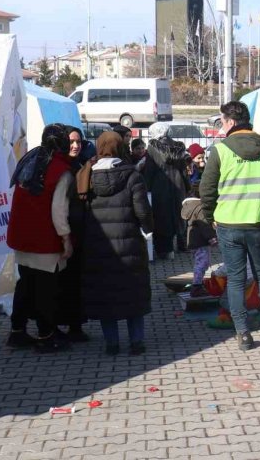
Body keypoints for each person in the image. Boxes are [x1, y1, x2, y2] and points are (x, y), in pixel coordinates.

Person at [200, 101, 260, 350]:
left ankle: (243, 334)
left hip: (229, 223)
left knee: (236, 280)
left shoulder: (221, 150)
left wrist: (211, 217)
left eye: (222, 121)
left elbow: (206, 189)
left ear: (229, 122)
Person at [78, 132, 154, 355]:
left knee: (106, 294)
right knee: (132, 292)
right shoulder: (132, 176)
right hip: (129, 243)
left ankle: (112, 343)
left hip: (98, 246)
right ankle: (136, 342)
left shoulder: (87, 177)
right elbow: (142, 210)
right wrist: (149, 230)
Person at [6, 124, 75, 353]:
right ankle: (46, 336)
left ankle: (17, 331)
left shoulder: (30, 159)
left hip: (22, 234)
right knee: (46, 290)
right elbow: (58, 210)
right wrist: (66, 238)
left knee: (25, 285)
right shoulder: (60, 170)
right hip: (44, 238)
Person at [55, 125, 89, 342]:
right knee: (63, 282)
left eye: (78, 142)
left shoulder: (78, 165)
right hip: (63, 233)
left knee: (76, 282)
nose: (75, 146)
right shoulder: (60, 168)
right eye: (71, 142)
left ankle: (75, 325)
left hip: (78, 233)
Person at [143, 122, 189, 259]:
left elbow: (149, 170)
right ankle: (182, 245)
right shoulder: (179, 147)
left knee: (162, 216)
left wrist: (146, 187)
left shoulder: (152, 148)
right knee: (179, 213)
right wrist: (187, 186)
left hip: (160, 186)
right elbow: (184, 171)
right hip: (178, 184)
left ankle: (166, 250)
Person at [181, 184, 217, 299]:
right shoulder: (201, 207)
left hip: (193, 240)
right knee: (202, 263)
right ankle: (197, 286)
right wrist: (212, 238)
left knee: (200, 262)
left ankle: (198, 284)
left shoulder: (189, 206)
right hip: (201, 240)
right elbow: (204, 225)